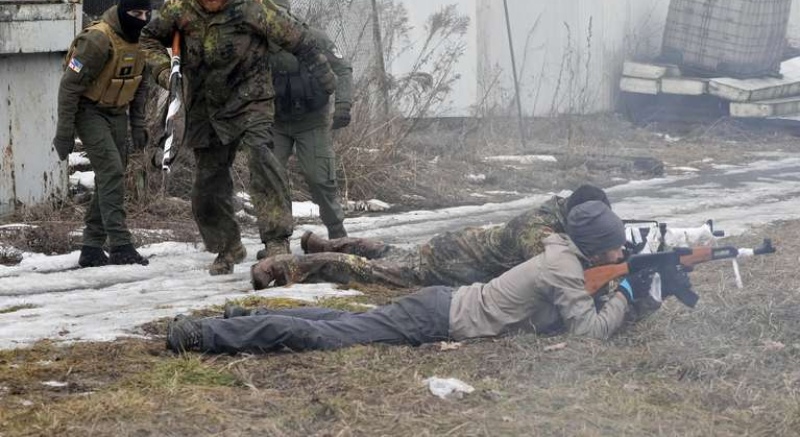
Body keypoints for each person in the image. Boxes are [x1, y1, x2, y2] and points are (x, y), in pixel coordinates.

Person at [166, 200, 659, 354]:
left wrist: (626, 277)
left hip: (442, 304)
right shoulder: (562, 266)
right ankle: (204, 333)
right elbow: (589, 330)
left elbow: (576, 303)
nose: (619, 250)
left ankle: (242, 316)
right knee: (325, 333)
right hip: (437, 319)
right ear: (595, 246)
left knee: (338, 320)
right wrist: (630, 293)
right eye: (615, 244)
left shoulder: (568, 256)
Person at [139, 0, 339, 275]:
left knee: (262, 156)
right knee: (207, 183)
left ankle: (276, 239)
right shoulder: (180, 10)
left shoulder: (252, 8)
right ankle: (227, 246)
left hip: (251, 98)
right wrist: (165, 71)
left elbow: (298, 38)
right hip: (204, 106)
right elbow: (148, 38)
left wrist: (323, 73)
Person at [250, 185, 610, 289]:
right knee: (370, 271)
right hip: (453, 262)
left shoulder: (555, 213)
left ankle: (321, 243)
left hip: (457, 247)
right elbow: (556, 274)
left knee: (387, 251)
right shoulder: (541, 230)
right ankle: (284, 266)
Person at [52, 0, 152, 268]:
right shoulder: (97, 40)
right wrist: (65, 133)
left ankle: (91, 247)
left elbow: (140, 85)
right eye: (135, 13)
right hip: (89, 110)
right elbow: (69, 87)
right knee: (112, 171)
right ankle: (120, 244)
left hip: (117, 112)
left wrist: (138, 124)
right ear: (123, 11)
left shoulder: (141, 42)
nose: (142, 19)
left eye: (146, 14)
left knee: (112, 177)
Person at [263, 0, 352, 241]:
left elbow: (343, 69)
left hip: (311, 121)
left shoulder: (313, 38)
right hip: (275, 121)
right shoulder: (258, 44)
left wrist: (344, 105)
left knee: (319, 177)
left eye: (279, 14)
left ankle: (337, 231)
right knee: (270, 179)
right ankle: (276, 241)